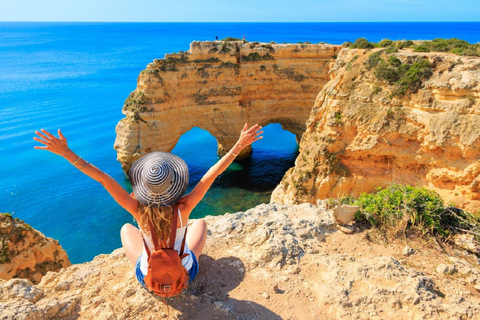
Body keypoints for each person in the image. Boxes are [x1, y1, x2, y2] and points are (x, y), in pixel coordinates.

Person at [33, 123, 263, 288]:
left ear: (142, 189)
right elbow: (212, 175)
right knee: (200, 223)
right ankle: (182, 263)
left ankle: (153, 266)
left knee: (126, 229)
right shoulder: (184, 207)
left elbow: (103, 178)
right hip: (185, 277)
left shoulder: (137, 209)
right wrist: (238, 146)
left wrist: (66, 152)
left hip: (149, 280)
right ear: (175, 185)